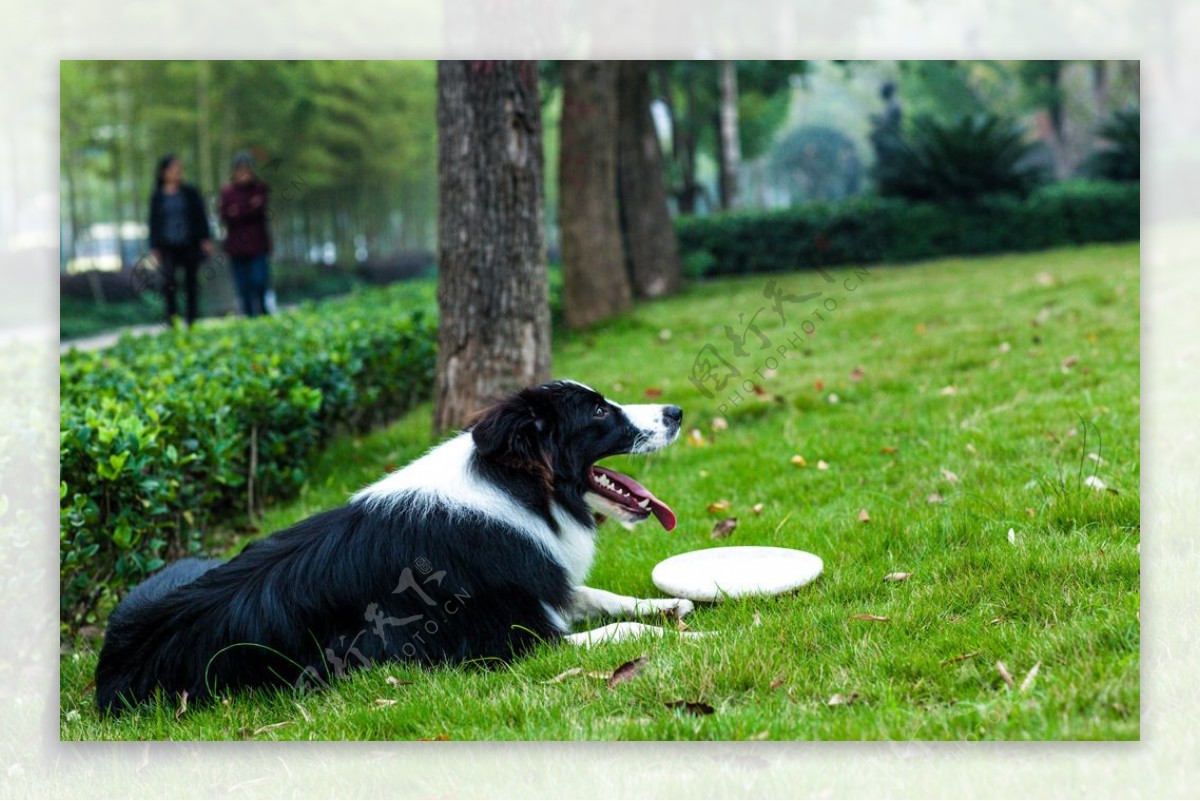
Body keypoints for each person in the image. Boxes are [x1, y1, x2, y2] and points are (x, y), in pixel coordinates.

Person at [148, 154, 213, 326]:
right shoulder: (158, 196)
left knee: (191, 282)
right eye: (172, 168)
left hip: (189, 243)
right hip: (167, 245)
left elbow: (200, 216)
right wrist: (154, 246)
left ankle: (192, 320)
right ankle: (172, 319)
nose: (177, 171)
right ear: (163, 172)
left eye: (178, 168)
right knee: (168, 283)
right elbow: (153, 222)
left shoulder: (190, 192)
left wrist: (205, 238)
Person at [218, 152, 273, 317]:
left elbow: (258, 210)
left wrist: (238, 210)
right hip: (237, 246)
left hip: (258, 244)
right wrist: (248, 207)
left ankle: (262, 309)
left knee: (259, 279)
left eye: (246, 170)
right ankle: (249, 315)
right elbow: (226, 215)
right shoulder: (228, 193)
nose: (243, 175)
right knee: (243, 284)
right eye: (240, 171)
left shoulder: (259, 189)